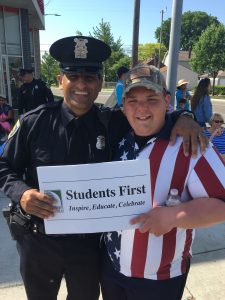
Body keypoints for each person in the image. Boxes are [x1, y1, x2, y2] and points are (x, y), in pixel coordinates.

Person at [0, 36, 207, 300]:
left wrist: (183, 117)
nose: (81, 85)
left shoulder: (113, 123)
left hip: (89, 246)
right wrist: (22, 193)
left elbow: (149, 115)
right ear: (60, 80)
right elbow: (4, 166)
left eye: (90, 77)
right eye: (73, 76)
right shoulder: (34, 123)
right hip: (39, 241)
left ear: (100, 83)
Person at [101, 65, 225, 300]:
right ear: (123, 104)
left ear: (167, 100)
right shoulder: (117, 137)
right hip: (111, 266)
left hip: (159, 279)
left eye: (151, 99)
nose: (142, 109)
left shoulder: (192, 146)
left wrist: (173, 217)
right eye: (132, 100)